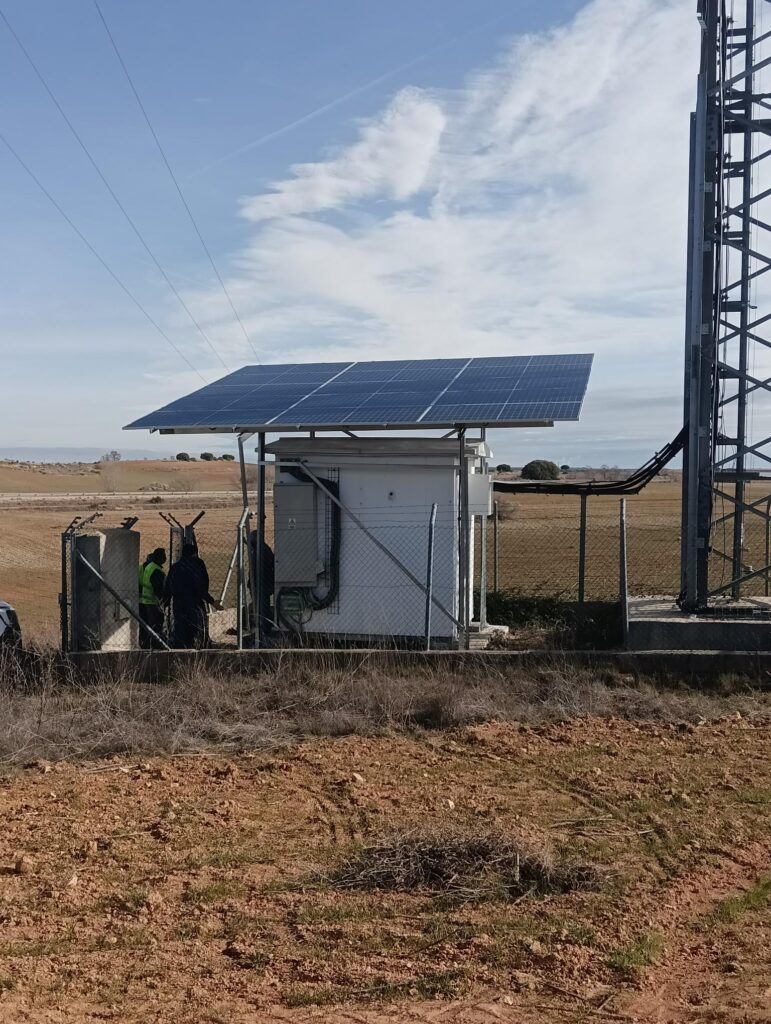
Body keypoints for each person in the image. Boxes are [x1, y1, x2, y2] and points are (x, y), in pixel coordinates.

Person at [164, 542, 221, 649]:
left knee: (180, 627)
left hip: (178, 601)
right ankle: (198, 648)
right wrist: (211, 601)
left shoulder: (176, 567)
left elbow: (168, 586)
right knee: (197, 626)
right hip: (194, 601)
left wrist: (165, 602)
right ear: (195, 553)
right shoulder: (197, 566)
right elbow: (200, 586)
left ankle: (180, 649)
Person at [137, 547, 167, 649]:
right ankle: (155, 646)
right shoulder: (155, 569)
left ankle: (144, 645)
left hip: (142, 601)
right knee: (155, 626)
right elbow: (158, 588)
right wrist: (163, 601)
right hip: (152, 602)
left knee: (144, 626)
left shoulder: (144, 567)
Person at [248, 531, 275, 638]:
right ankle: (260, 630)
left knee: (262, 608)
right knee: (259, 607)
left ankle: (264, 630)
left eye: (251, 538)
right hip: (258, 584)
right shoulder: (257, 549)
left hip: (262, 584)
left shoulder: (262, 550)